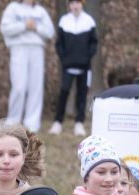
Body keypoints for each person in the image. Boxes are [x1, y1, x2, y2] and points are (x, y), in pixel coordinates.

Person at [0, 1, 55, 133]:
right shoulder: (13, 8)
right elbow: (5, 28)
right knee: (19, 86)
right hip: (19, 47)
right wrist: (24, 25)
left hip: (37, 48)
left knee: (36, 87)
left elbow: (50, 32)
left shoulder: (40, 12)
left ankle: (32, 123)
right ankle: (12, 121)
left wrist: (36, 27)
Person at [50, 0, 98, 136]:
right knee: (64, 92)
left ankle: (79, 123)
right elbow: (59, 44)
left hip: (84, 66)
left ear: (82, 4)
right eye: (72, 3)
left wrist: (87, 57)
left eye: (77, 3)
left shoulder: (89, 21)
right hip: (68, 66)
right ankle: (58, 122)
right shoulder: (64, 21)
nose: (75, 6)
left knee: (82, 94)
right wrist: (64, 58)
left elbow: (94, 43)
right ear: (69, 5)